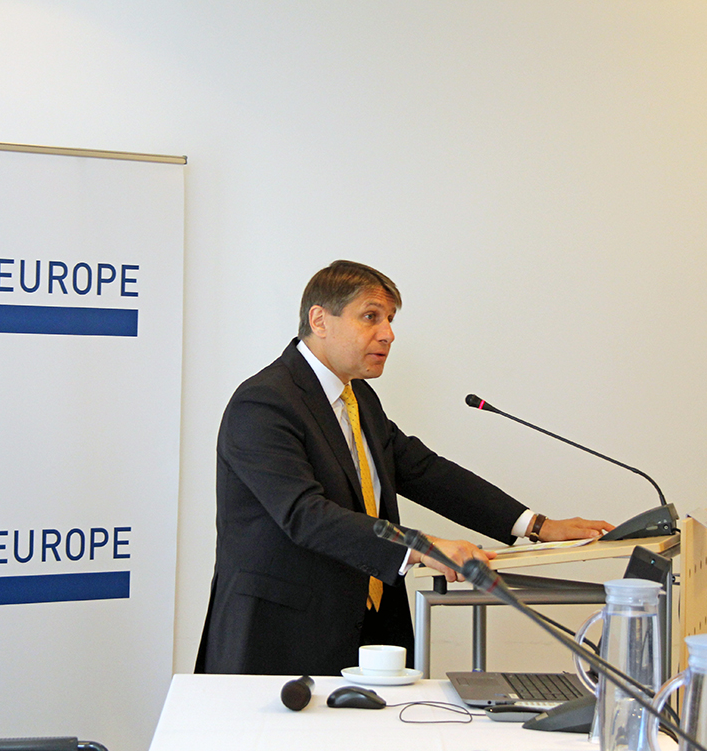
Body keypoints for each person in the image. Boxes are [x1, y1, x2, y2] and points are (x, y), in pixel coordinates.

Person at [194, 260, 613, 676]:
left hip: (367, 631)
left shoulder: (359, 398)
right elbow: (305, 515)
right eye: (370, 317)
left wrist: (536, 525)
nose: (388, 334)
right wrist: (422, 545)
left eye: (390, 319)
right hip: (280, 639)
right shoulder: (264, 402)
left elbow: (424, 472)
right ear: (319, 320)